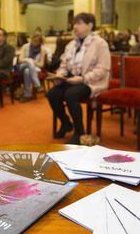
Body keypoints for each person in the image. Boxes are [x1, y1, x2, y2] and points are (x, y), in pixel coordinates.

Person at [46, 12, 111, 145]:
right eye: (74, 23)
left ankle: (79, 132)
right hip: (72, 79)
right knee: (52, 94)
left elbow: (103, 69)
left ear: (90, 25)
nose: (74, 27)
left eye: (79, 23)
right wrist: (59, 76)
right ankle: (66, 123)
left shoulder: (100, 43)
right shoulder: (71, 45)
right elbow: (64, 64)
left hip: (91, 81)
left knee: (71, 94)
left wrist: (82, 79)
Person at [17, 34, 46, 102]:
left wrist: (34, 62)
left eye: (36, 41)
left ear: (40, 42)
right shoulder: (25, 46)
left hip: (34, 68)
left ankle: (28, 94)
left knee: (27, 71)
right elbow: (20, 59)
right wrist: (29, 60)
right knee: (29, 62)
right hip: (22, 66)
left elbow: (41, 64)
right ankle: (37, 84)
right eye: (33, 40)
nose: (34, 42)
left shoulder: (42, 50)